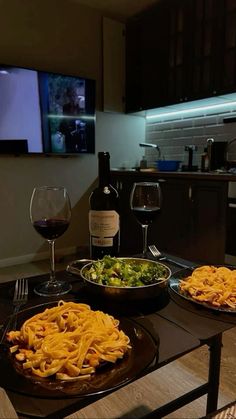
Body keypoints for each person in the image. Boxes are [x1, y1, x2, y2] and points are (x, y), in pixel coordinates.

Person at [59, 85, 85, 152]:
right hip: (69, 134)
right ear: (68, 96)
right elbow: (65, 120)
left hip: (78, 133)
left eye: (74, 95)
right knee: (69, 150)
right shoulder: (65, 107)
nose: (72, 97)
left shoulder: (80, 107)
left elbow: (83, 120)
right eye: (70, 96)